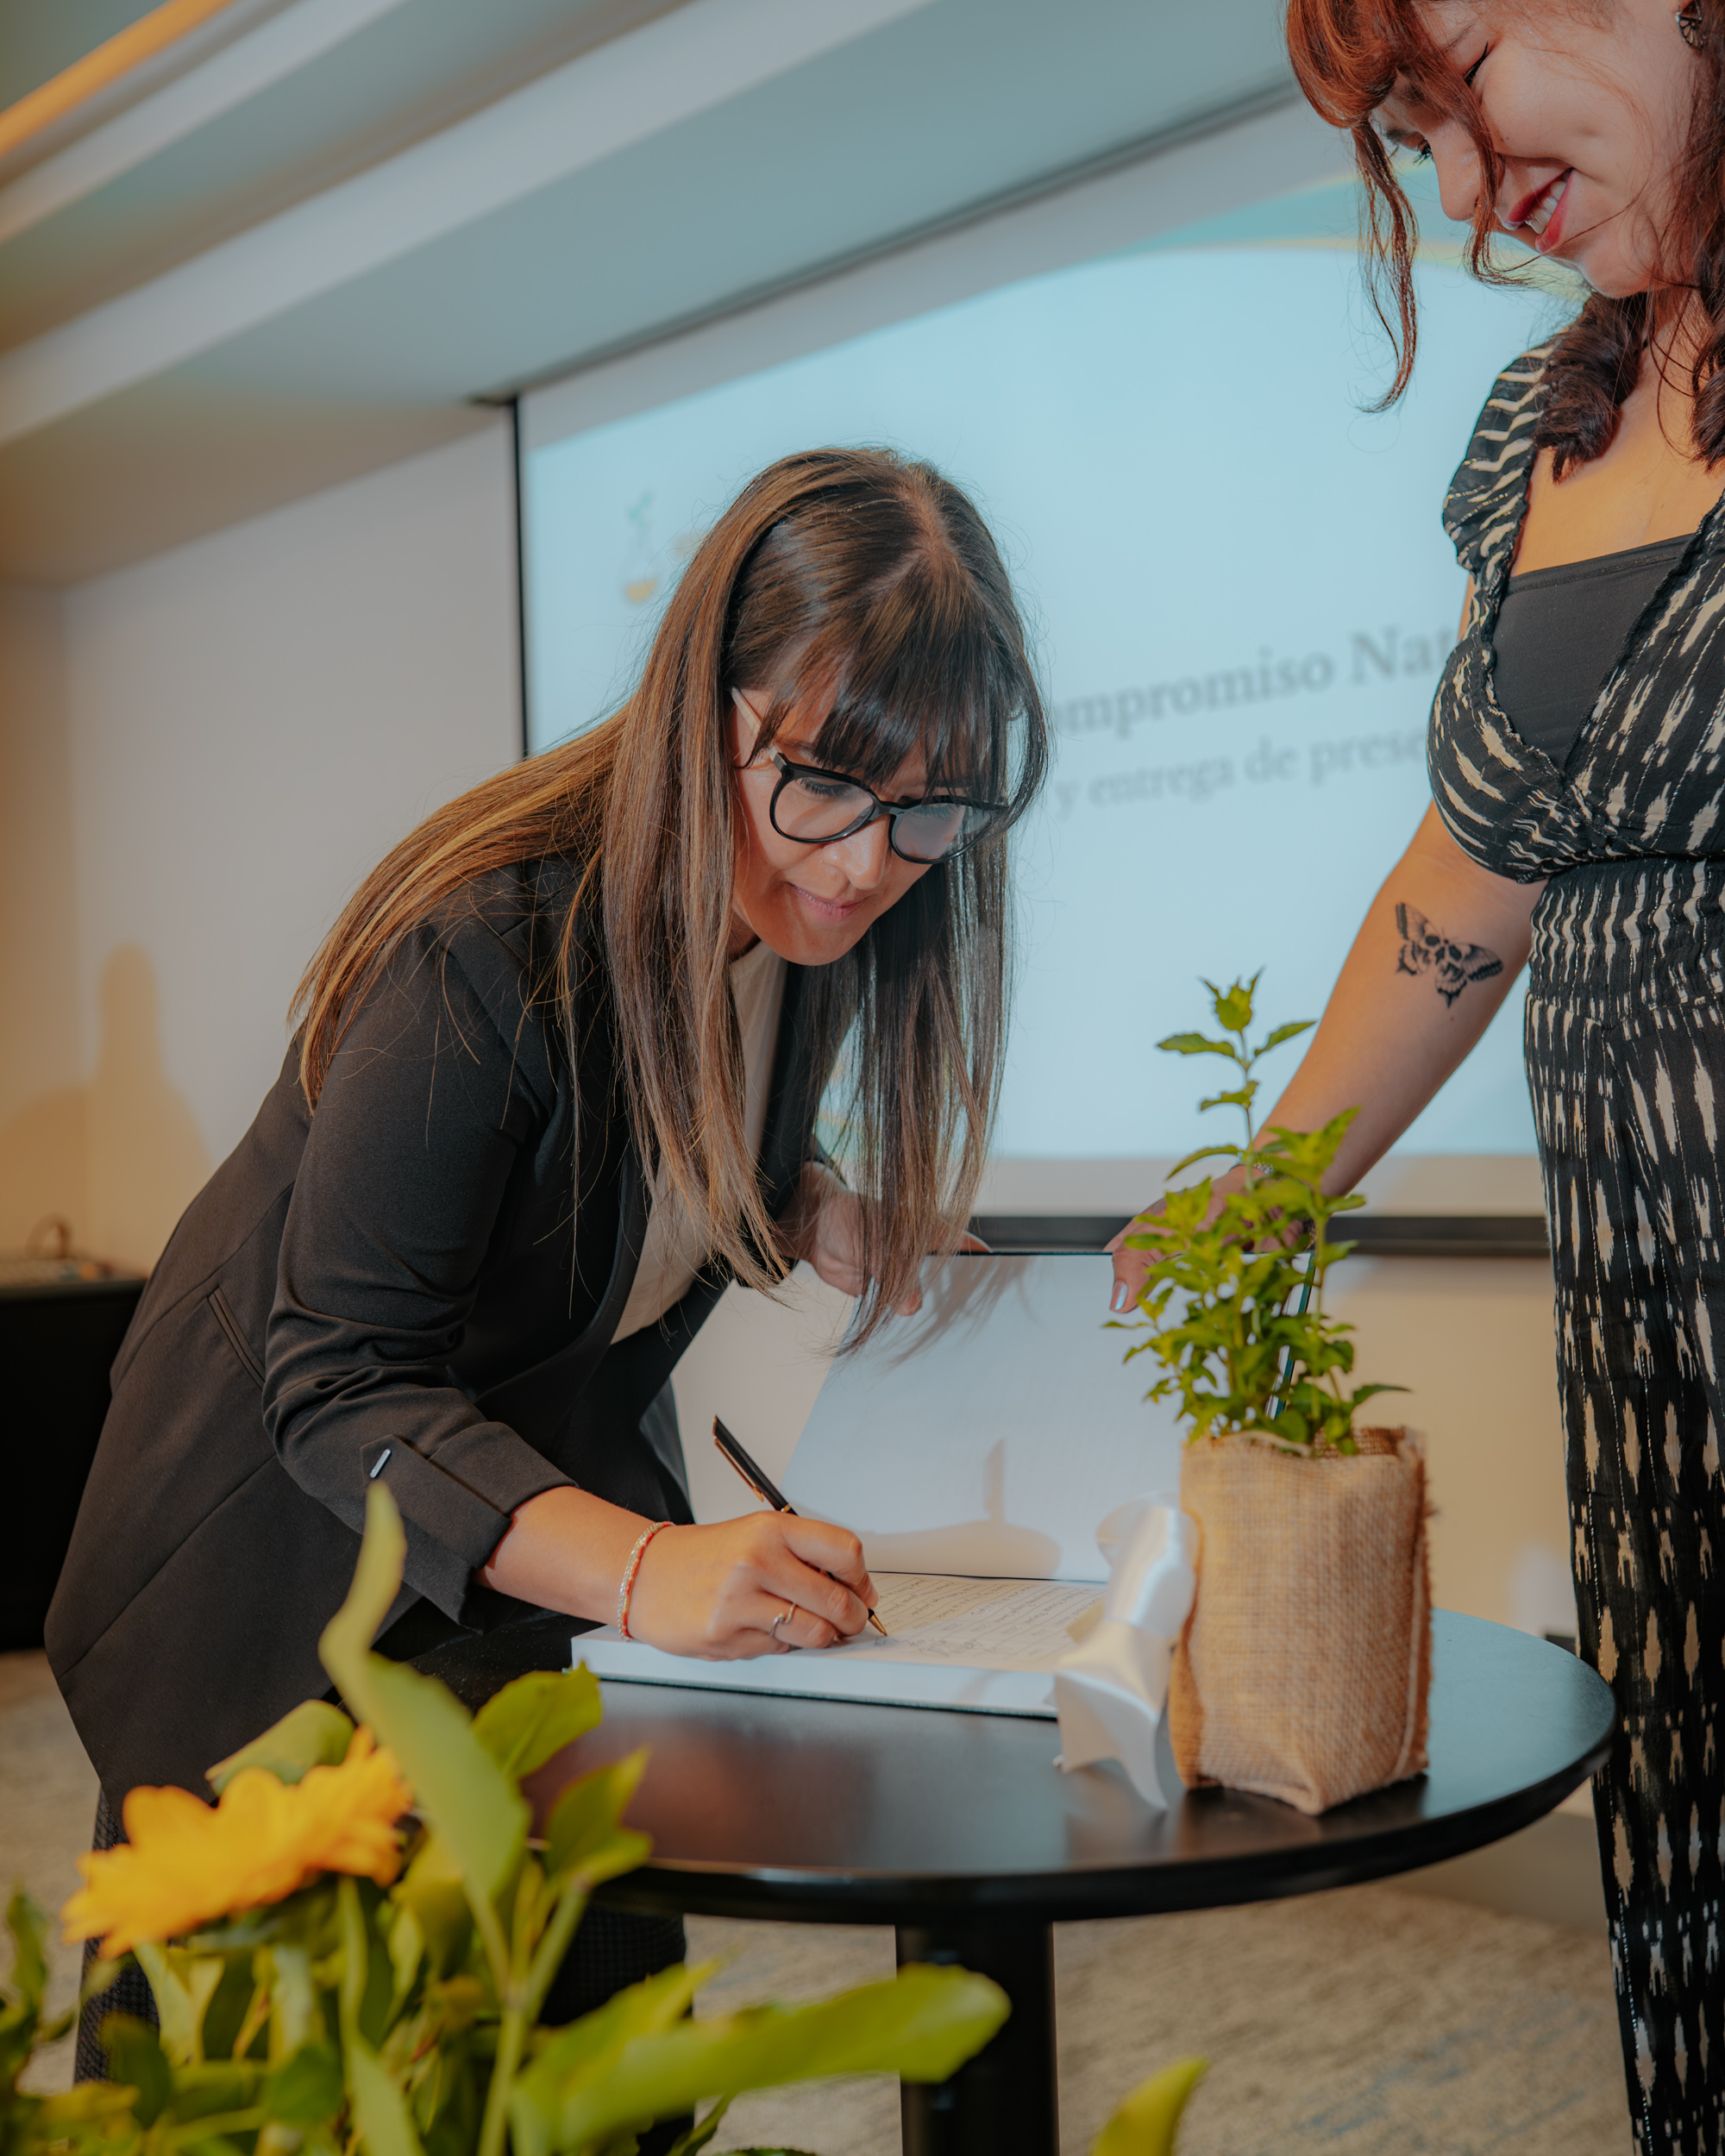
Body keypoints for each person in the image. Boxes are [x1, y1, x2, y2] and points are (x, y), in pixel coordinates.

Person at [50, 445, 1047, 2065]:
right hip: (281, 1555)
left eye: (931, 808)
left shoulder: (799, 921)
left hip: (520, 1529)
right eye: (824, 783)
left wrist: (808, 1205)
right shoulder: (491, 938)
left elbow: (643, 1142)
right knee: (270, 2068)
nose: (869, 862)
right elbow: (339, 1381)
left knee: (588, 2030)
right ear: (705, 710)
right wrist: (652, 1571)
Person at [1111, 3, 1725, 2145]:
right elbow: (1474, 871)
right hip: (1648, 1312)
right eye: (1404, 139)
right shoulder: (1548, 421)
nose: (1458, 187)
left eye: (1454, 83)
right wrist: (1267, 1184)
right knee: (1699, 1857)